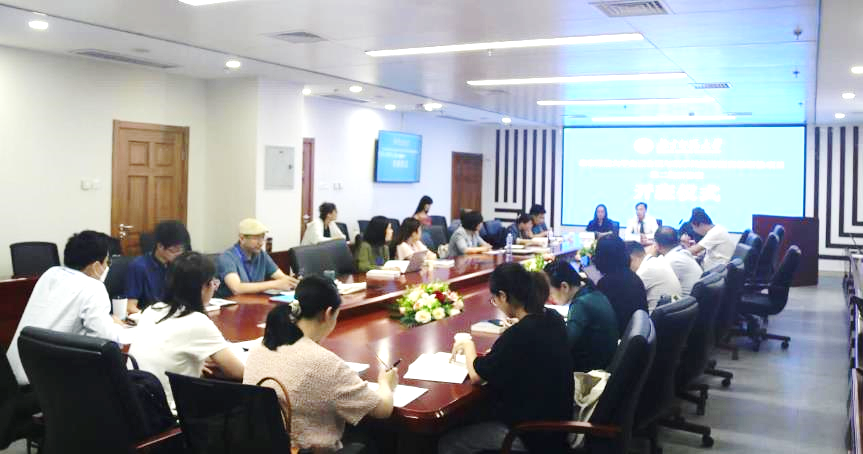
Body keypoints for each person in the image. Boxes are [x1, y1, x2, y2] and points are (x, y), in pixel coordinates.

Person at [244, 276, 398, 452]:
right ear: (328, 313)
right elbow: (382, 410)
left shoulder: (260, 345)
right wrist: (386, 383)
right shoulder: (324, 364)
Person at [441, 263, 573, 454]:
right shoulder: (553, 318)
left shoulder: (519, 334)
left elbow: (477, 376)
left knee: (448, 443)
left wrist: (468, 345)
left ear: (503, 296)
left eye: (494, 299)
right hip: (557, 423)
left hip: (531, 434)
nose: (496, 303)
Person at [6, 231, 125, 385]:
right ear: (96, 266)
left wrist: (106, 320)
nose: (107, 267)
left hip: (10, 373)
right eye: (106, 263)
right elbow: (107, 341)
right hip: (41, 383)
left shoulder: (50, 273)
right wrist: (119, 328)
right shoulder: (94, 287)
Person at [129, 252, 244, 411]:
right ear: (203, 287)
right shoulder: (197, 321)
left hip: (138, 407)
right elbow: (237, 372)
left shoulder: (151, 310)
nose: (214, 288)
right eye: (213, 283)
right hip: (170, 413)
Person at [544, 259, 619, 373]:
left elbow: (564, 345)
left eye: (550, 293)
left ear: (564, 286)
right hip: (605, 360)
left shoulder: (581, 305)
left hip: (590, 370)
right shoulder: (592, 292)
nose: (550, 298)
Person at [216, 218, 298, 297]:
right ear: (242, 238)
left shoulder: (262, 255)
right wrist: (274, 284)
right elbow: (236, 288)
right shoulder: (227, 257)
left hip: (254, 301)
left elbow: (282, 278)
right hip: (233, 304)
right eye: (256, 238)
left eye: (262, 237)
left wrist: (297, 283)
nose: (261, 243)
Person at [125, 220, 190, 314]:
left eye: (182, 250)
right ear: (160, 246)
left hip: (175, 315)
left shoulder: (179, 265)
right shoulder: (139, 266)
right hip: (150, 317)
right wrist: (154, 318)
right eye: (174, 250)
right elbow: (130, 307)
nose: (179, 255)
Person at [593, 235, 648, 334]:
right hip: (633, 336)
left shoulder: (607, 283)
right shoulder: (633, 277)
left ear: (600, 257)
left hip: (619, 337)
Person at [626, 241, 682, 312]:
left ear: (631, 258)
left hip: (657, 317)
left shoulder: (645, 270)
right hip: (674, 312)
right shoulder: (659, 261)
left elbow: (627, 296)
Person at [654, 226, 702, 297]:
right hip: (696, 299)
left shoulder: (669, 261)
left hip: (687, 301)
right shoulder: (683, 253)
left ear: (657, 245)